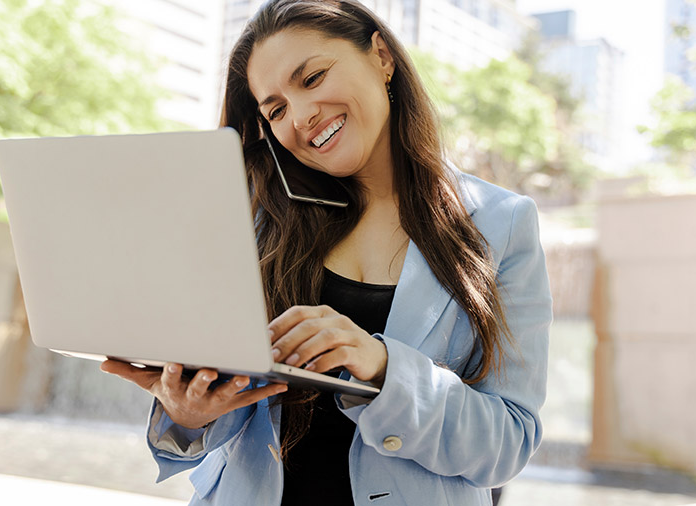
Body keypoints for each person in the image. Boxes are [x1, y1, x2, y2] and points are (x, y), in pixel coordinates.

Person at [100, 1, 552, 504]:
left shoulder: (501, 222)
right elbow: (224, 417)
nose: (301, 116)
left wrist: (381, 367)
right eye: (275, 109)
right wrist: (189, 414)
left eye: (311, 78)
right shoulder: (255, 217)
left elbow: (509, 443)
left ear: (381, 56)